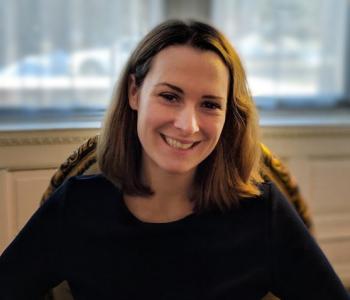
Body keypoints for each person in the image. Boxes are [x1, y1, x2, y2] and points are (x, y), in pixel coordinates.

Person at [0, 19, 349, 300]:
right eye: (169, 96)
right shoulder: (77, 206)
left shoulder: (263, 213)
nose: (188, 125)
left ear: (229, 115)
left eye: (210, 104)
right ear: (135, 93)